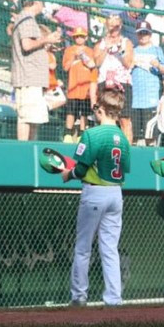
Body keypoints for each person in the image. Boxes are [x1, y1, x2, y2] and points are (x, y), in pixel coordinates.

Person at [59, 89, 131, 306]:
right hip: (116, 193)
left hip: (95, 192)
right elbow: (124, 169)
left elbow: (80, 170)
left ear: (101, 110)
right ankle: (114, 298)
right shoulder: (124, 139)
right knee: (109, 249)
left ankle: (79, 296)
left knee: (83, 247)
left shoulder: (92, 134)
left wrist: (67, 175)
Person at [11, 0, 62, 141]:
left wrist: (47, 44)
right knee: (26, 117)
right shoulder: (26, 19)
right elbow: (26, 45)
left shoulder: (28, 19)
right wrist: (47, 40)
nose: (43, 4)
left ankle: (30, 149)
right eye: (41, 1)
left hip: (33, 77)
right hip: (28, 77)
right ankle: (24, 151)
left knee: (34, 118)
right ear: (34, 1)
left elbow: (32, 45)